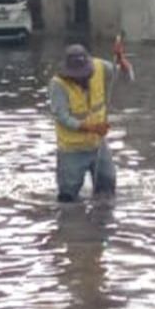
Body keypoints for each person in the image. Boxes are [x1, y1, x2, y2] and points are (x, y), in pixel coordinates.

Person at [48, 44, 133, 202]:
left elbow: (126, 78)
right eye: (77, 76)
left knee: (107, 190)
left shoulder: (100, 67)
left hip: (98, 145)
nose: (82, 78)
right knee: (68, 197)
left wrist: (121, 60)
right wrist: (92, 128)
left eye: (85, 74)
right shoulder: (58, 84)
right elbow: (62, 117)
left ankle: (103, 223)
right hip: (71, 150)